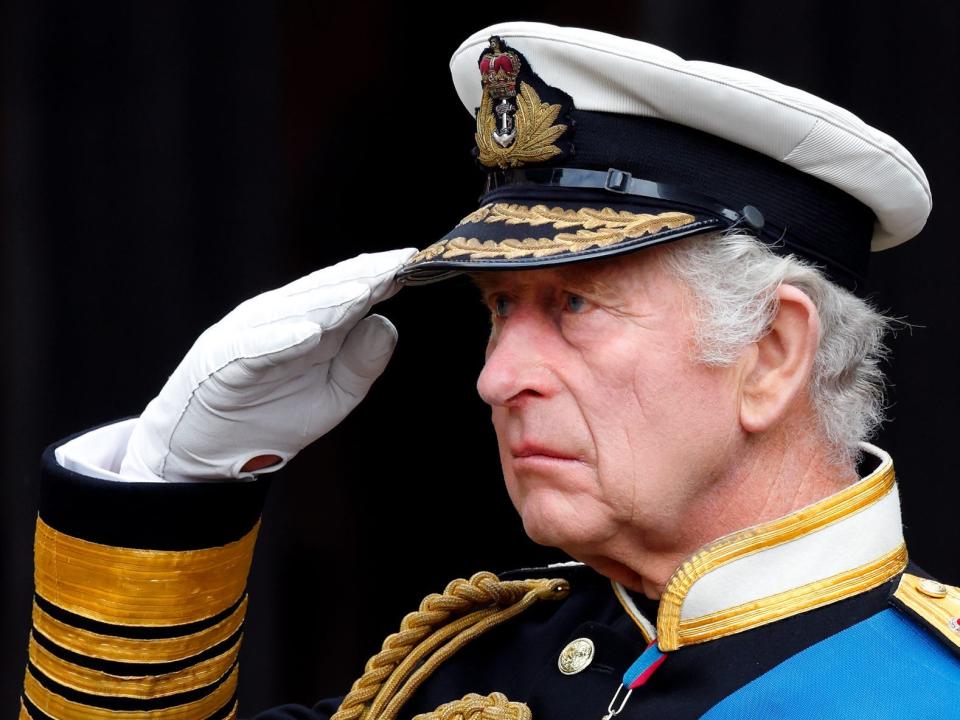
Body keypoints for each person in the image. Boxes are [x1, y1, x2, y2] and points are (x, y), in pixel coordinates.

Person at [18, 20, 960, 720]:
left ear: (771, 353)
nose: (498, 377)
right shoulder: (456, 678)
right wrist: (166, 490)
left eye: (576, 306)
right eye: (500, 309)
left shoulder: (921, 692)